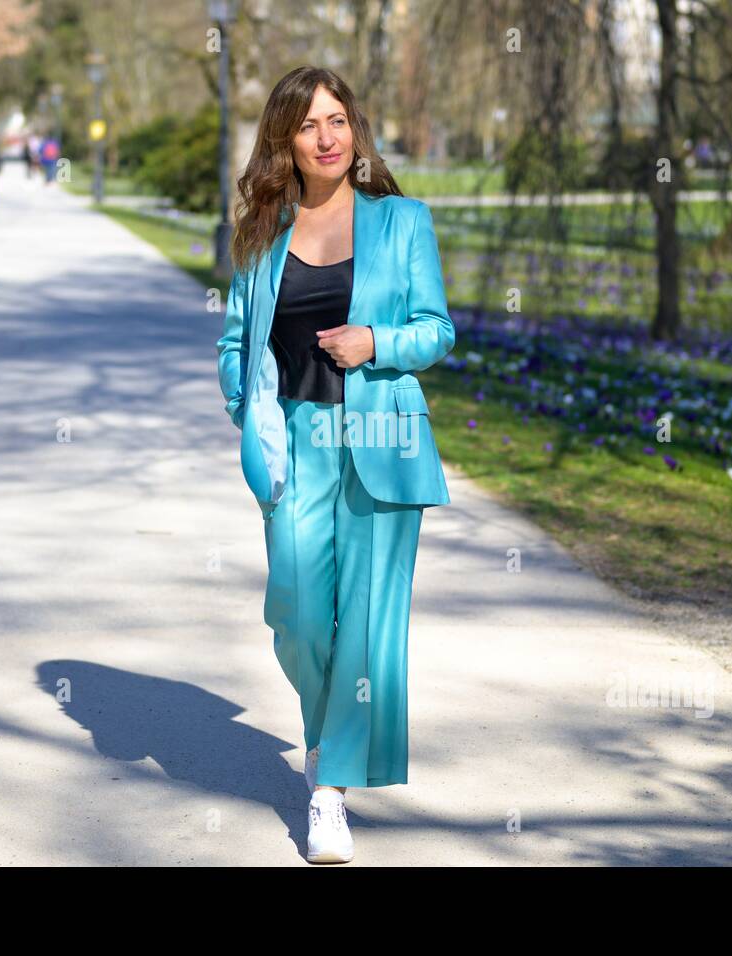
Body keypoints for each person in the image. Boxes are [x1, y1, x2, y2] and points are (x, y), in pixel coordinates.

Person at [215, 67, 454, 864]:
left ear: (355, 133)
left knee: (368, 633)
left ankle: (329, 791)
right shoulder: (261, 237)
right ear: (286, 140)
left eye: (339, 120)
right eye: (310, 124)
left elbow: (437, 330)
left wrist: (378, 342)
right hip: (295, 446)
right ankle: (326, 742)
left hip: (384, 442)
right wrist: (246, 412)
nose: (327, 136)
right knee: (297, 612)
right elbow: (231, 346)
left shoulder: (402, 222)